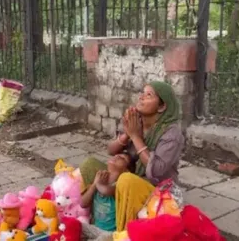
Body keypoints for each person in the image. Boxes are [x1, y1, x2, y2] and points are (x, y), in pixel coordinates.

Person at [79, 81, 184, 231]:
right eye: (142, 93)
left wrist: (135, 137)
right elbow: (111, 150)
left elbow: (156, 171)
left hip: (157, 189)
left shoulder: (172, 134)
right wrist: (126, 135)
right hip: (131, 178)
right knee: (90, 164)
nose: (141, 97)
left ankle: (122, 232)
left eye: (149, 95)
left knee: (126, 180)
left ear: (161, 106)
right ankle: (93, 216)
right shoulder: (137, 121)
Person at [80, 154, 130, 232]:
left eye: (122, 158)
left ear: (126, 170)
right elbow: (83, 203)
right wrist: (94, 185)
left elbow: (106, 191)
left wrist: (97, 183)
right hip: (95, 228)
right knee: (76, 226)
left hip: (111, 233)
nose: (117, 156)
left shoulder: (121, 184)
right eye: (117, 155)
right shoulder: (99, 180)